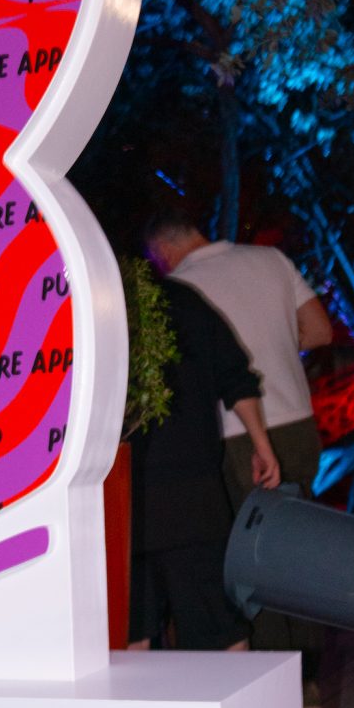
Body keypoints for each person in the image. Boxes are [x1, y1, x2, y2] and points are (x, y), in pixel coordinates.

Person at [143, 210, 335, 708]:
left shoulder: (179, 289)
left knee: (248, 556)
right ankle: (307, 677)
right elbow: (320, 332)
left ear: (161, 252)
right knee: (297, 548)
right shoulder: (271, 259)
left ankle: (272, 684)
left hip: (236, 434)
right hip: (296, 423)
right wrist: (276, 348)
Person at [129, 262, 281, 654]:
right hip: (193, 492)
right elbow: (236, 377)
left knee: (131, 631)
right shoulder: (183, 301)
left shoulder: (95, 306)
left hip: (125, 495)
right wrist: (262, 445)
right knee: (218, 624)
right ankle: (241, 698)